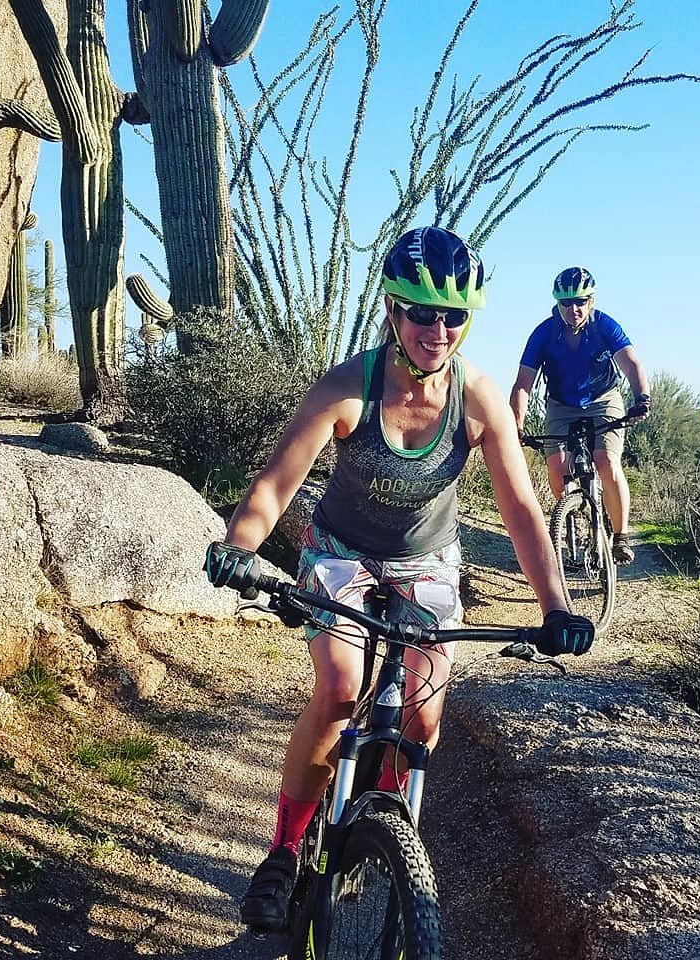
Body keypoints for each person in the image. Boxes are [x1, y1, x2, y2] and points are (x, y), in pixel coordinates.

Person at [204, 226, 594, 932]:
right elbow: (273, 489)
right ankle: (286, 849)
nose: (437, 330)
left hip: (428, 559)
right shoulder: (346, 388)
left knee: (423, 714)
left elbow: (523, 515)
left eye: (454, 316)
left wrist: (556, 605)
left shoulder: (478, 402)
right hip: (340, 551)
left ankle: (387, 835)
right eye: (421, 312)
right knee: (339, 688)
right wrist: (240, 547)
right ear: (391, 310)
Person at [509, 266, 651, 565]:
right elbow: (523, 383)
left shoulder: (605, 326)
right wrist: (516, 424)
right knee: (558, 466)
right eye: (566, 303)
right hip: (561, 403)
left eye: (580, 301)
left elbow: (631, 364)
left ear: (592, 300)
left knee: (606, 460)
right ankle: (572, 511)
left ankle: (621, 536)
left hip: (604, 399)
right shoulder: (544, 333)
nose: (573, 309)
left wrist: (641, 398)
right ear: (557, 303)